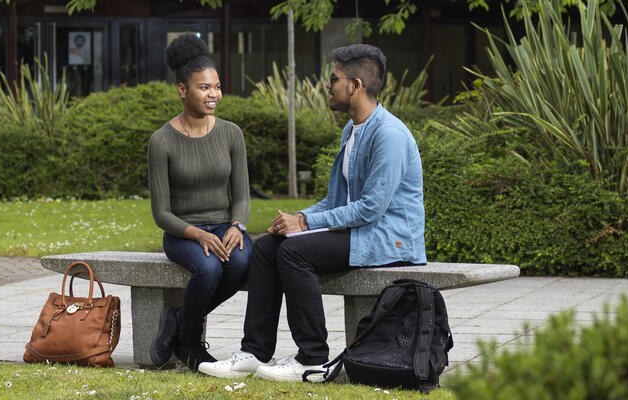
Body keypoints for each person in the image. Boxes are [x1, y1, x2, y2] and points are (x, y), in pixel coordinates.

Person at [197, 44, 426, 382]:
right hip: (361, 230)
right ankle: (254, 352)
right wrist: (294, 219)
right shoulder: (352, 130)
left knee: (293, 252)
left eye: (333, 79)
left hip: (390, 239)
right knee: (266, 247)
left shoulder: (388, 134)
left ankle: (313, 360)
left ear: (356, 85)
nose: (327, 86)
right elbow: (337, 200)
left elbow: (372, 208)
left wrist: (304, 224)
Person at [146, 33, 251, 371]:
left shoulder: (231, 133)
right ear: (182, 90)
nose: (214, 94)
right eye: (204, 87)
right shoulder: (162, 141)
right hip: (182, 232)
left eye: (216, 87)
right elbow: (161, 213)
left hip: (224, 225)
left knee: (243, 262)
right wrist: (199, 235)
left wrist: (237, 225)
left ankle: (178, 320)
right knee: (208, 268)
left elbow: (243, 195)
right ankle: (190, 344)